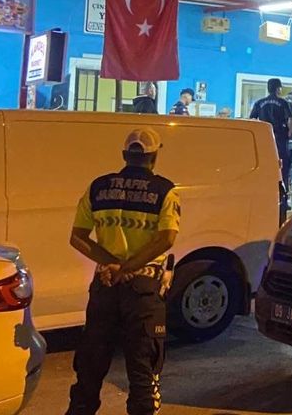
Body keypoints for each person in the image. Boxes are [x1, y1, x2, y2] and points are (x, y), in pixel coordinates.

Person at [67, 127, 180, 415]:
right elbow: (166, 239)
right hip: (143, 291)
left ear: (124, 155)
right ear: (154, 157)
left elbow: (78, 237)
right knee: (143, 372)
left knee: (90, 368)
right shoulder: (165, 191)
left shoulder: (98, 187)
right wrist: (129, 267)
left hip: (105, 286)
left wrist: (113, 265)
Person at [249, 78, 292, 190]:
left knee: (265, 163)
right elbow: (291, 118)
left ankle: (264, 188)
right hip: (280, 137)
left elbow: (252, 120)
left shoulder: (259, 103)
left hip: (265, 137)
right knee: (282, 165)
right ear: (278, 89)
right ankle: (282, 189)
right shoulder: (283, 102)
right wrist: (289, 132)